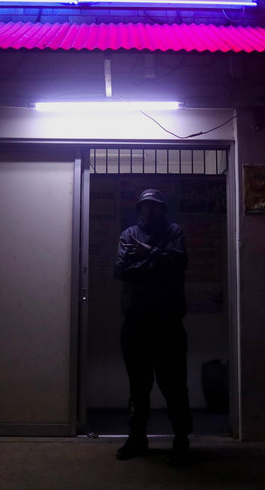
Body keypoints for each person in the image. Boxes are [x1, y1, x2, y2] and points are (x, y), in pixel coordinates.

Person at [115, 188, 192, 466]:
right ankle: (137, 438)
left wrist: (147, 253)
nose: (149, 209)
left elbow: (178, 264)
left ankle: (181, 439)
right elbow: (121, 270)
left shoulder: (174, 231)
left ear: (162, 208)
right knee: (138, 387)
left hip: (167, 322)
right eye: (145, 205)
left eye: (154, 205)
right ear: (139, 208)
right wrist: (157, 261)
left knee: (174, 386)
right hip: (136, 322)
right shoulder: (128, 234)